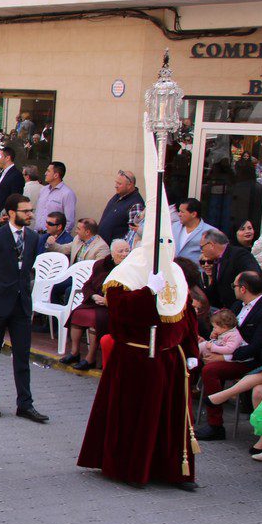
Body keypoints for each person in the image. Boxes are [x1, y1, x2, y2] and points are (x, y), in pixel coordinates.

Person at [78, 179, 199, 489]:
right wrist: (148, 293)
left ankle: (173, 470)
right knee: (137, 418)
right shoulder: (127, 271)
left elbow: (186, 315)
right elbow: (119, 311)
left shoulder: (175, 272)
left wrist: (192, 353)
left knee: (169, 421)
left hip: (169, 359)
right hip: (136, 356)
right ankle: (131, 468)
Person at [0, 194, 49, 423]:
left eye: (31, 210)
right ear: (12, 213)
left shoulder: (34, 238)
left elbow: (28, 267)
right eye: (26, 211)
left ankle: (25, 403)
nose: (31, 214)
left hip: (21, 304)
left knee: (22, 355)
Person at [197, 269, 262, 441]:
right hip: (226, 349)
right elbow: (223, 326)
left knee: (211, 370)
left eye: (234, 285)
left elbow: (257, 347)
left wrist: (225, 357)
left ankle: (215, 425)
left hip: (249, 359)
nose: (232, 288)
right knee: (193, 357)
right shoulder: (238, 305)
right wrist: (214, 336)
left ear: (243, 289)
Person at [58, 239, 130, 370]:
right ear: (112, 253)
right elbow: (88, 284)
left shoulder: (130, 269)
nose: (125, 254)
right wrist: (93, 296)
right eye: (121, 251)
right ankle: (74, 353)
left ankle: (90, 358)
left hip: (112, 307)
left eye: (127, 251)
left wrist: (108, 301)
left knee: (95, 320)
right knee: (77, 314)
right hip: (95, 301)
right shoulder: (101, 265)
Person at [200, 228, 262, 308]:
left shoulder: (239, 255)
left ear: (211, 245)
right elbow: (215, 290)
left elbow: (253, 277)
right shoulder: (217, 261)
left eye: (202, 247)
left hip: (246, 309)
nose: (202, 251)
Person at [97, 169, 144, 242]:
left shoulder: (136, 204)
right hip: (101, 244)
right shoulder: (119, 195)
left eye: (119, 184)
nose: (116, 186)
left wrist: (118, 248)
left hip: (115, 250)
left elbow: (132, 233)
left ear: (129, 185)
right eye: (116, 183)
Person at [33, 161, 76, 233]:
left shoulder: (67, 194)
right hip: (37, 234)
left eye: (48, 171)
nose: (45, 173)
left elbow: (69, 221)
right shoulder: (43, 190)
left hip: (53, 237)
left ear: (56, 175)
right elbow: (38, 212)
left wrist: (59, 238)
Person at [0, 148, 24, 221]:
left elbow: (15, 198)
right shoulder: (1, 173)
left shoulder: (16, 175)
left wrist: (7, 214)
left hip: (3, 217)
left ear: (7, 158)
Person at [173, 198, 212, 263]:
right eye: (179, 211)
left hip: (194, 271)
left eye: (182, 212)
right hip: (174, 270)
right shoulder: (174, 226)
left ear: (193, 214)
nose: (179, 214)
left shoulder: (209, 231)